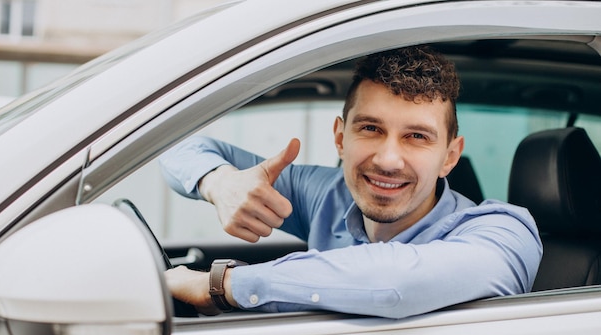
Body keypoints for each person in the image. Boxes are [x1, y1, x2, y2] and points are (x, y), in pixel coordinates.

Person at [159, 46, 542, 319]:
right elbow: (176, 149)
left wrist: (222, 286)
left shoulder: (504, 233)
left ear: (450, 157)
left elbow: (394, 282)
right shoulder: (328, 194)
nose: (388, 160)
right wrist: (220, 182)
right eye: (371, 128)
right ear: (341, 138)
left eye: (417, 136)